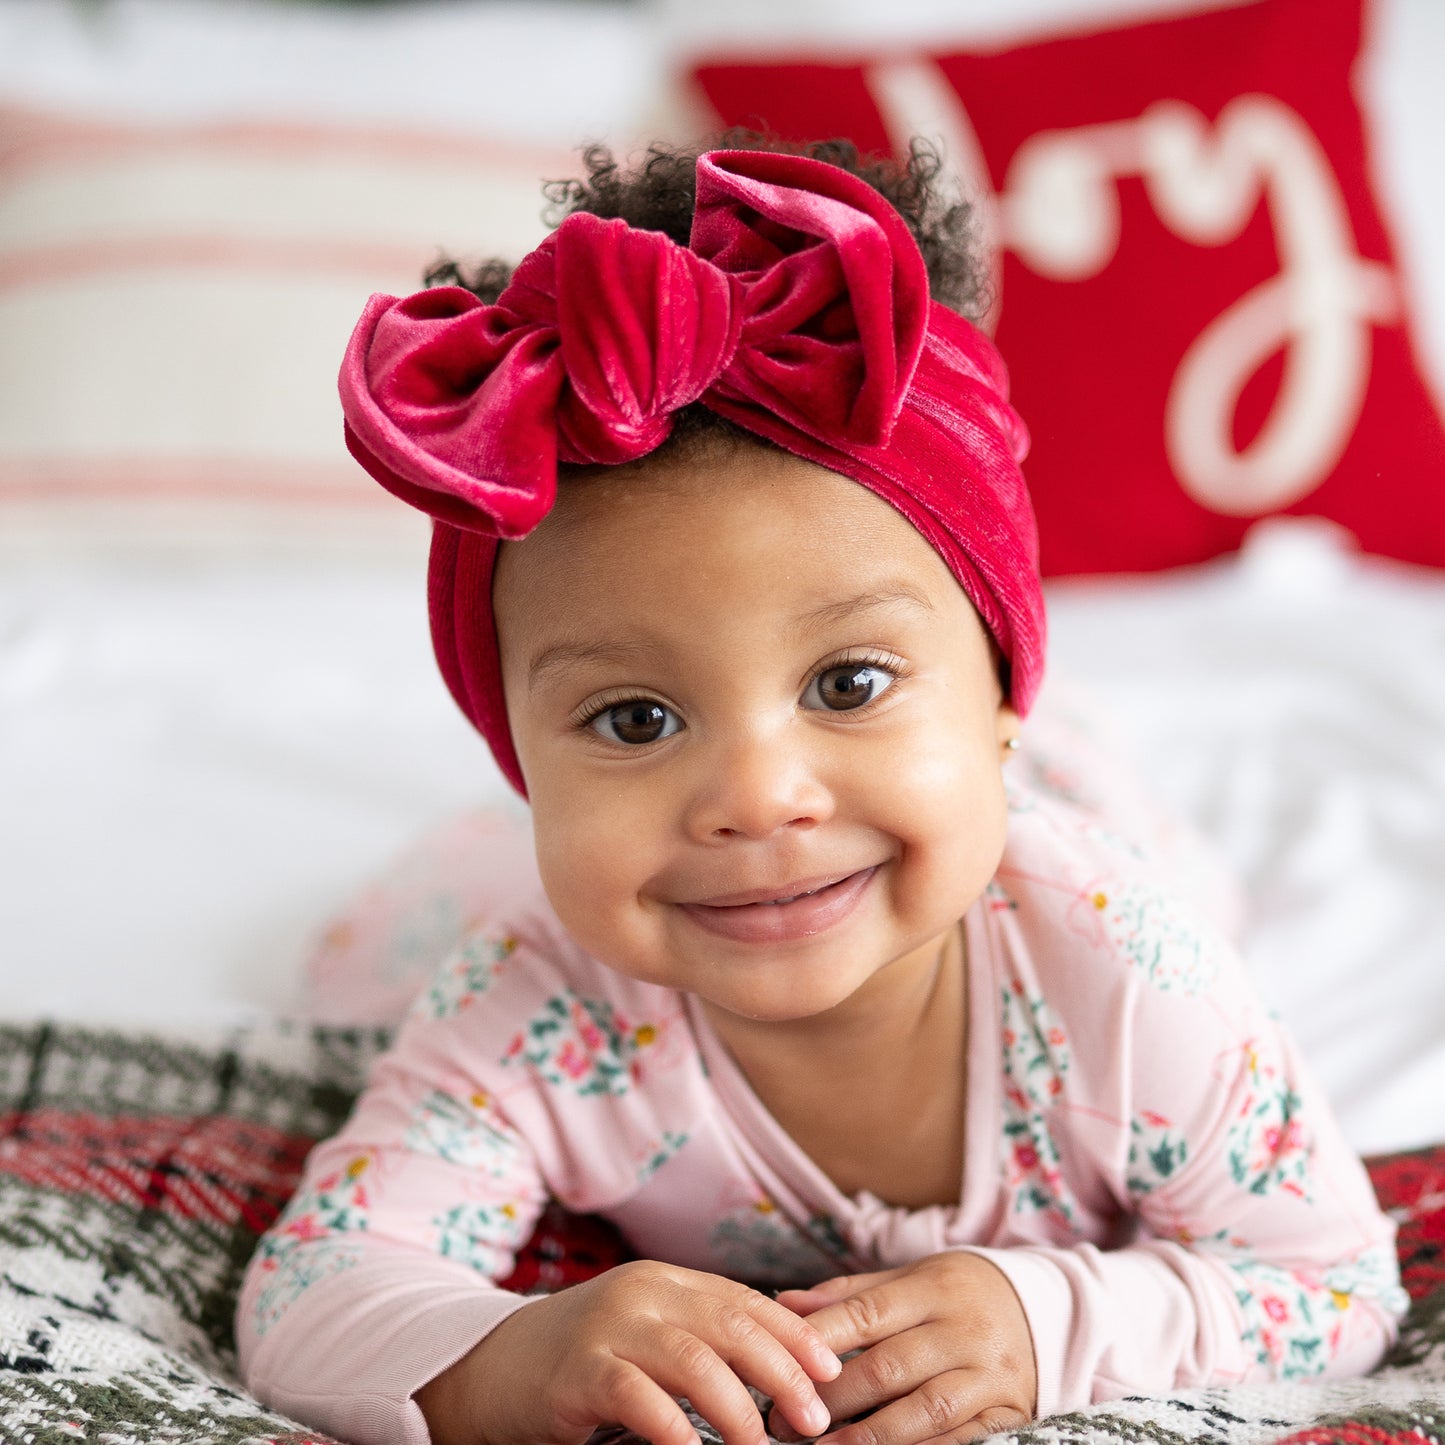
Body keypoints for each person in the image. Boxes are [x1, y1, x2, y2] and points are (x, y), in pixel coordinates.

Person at [236, 138, 1405, 1445]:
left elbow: (1328, 1280)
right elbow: (312, 1292)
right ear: (518, 754)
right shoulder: (535, 999)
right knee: (365, 952)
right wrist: (514, 1350)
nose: (756, 795)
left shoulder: (1118, 970)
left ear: (994, 689)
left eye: (846, 681)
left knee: (1162, 865)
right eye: (634, 716)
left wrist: (1048, 1316)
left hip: (1064, 818)